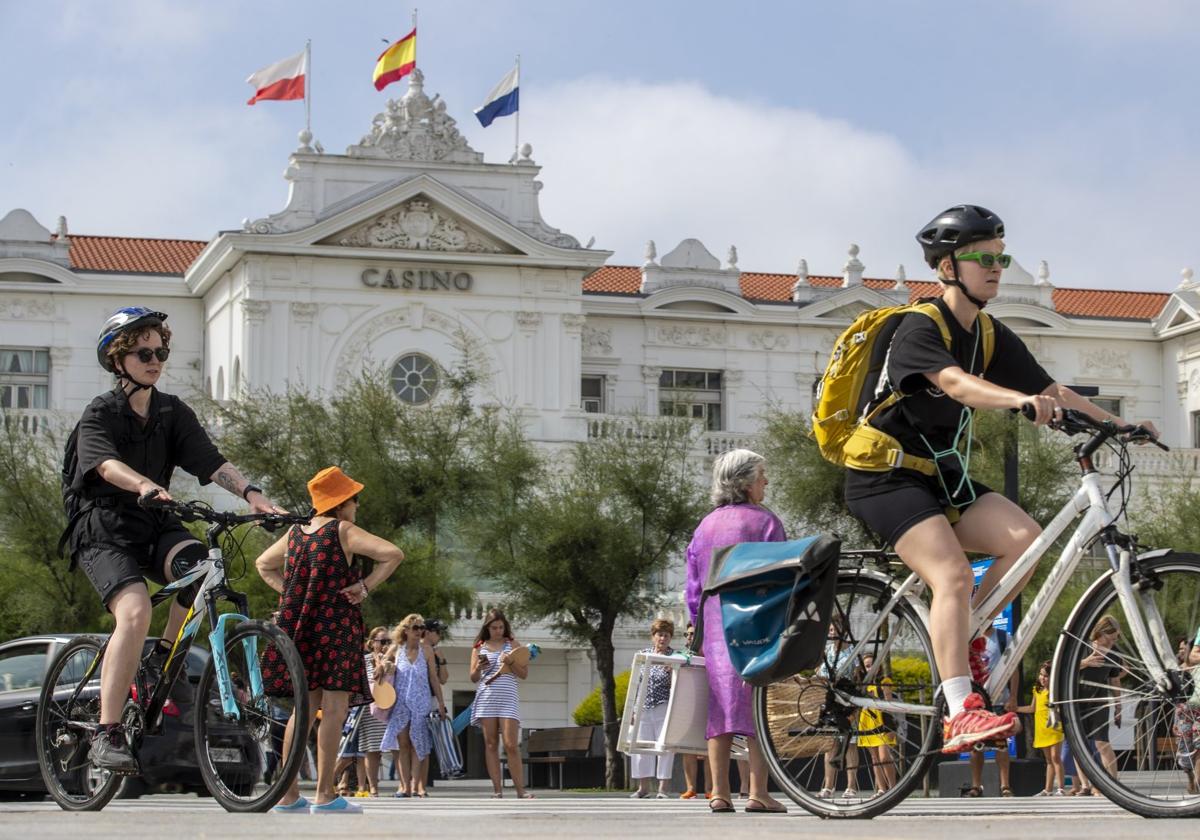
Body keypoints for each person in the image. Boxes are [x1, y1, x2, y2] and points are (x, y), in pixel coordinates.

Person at [842, 205, 1158, 752]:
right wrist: (1018, 401)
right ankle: (961, 709)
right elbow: (956, 384)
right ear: (946, 267)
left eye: (1000, 258)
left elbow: (1053, 390)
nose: (995, 268)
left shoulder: (988, 332)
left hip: (940, 476)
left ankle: (964, 639)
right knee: (954, 574)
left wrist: (1121, 423)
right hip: (882, 476)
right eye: (982, 259)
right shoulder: (920, 327)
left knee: (1025, 542)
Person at [62, 307, 284, 773]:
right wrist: (142, 483)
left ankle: (164, 657)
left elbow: (210, 461)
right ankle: (107, 730)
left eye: (160, 350)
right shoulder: (100, 413)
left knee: (201, 567)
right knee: (136, 609)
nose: (155, 359)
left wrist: (253, 495)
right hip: (103, 527)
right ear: (118, 359)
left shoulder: (171, 411)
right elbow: (105, 465)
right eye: (143, 351)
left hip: (155, 521)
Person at [256, 466, 403, 814]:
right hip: (336, 626)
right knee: (334, 709)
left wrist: (293, 595)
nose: (357, 505)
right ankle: (325, 795)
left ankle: (288, 795)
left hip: (300, 628)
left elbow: (263, 564)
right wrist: (365, 586)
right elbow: (393, 554)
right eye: (354, 499)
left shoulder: (297, 534)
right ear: (342, 503)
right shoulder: (344, 530)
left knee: (303, 711)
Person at [684, 448, 788, 815]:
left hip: (715, 628)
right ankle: (759, 791)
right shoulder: (765, 522)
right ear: (744, 482)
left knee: (720, 710)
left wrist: (697, 622)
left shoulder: (705, 526)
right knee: (757, 708)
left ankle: (718, 791)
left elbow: (693, 586)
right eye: (761, 476)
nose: (766, 482)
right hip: (757, 625)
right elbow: (782, 574)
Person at [378, 614, 447, 798]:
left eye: (421, 628)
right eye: (415, 628)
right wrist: (384, 665)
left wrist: (440, 702)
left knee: (418, 743)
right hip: (400, 702)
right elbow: (381, 664)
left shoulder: (427, 650)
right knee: (403, 744)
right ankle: (403, 786)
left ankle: (417, 785)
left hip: (421, 701)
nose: (419, 631)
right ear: (406, 630)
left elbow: (433, 678)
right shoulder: (397, 649)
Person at [470, 608, 534, 799]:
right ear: (487, 628)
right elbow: (473, 677)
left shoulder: (513, 644)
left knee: (511, 744)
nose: (497, 631)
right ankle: (497, 790)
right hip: (487, 697)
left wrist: (511, 662)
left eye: (500, 627)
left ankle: (520, 790)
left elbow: (523, 674)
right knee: (490, 744)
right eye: (493, 627)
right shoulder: (478, 647)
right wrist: (479, 667)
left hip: (508, 698)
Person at [966, 626, 1019, 797]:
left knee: (1001, 744)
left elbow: (1013, 668)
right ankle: (976, 786)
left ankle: (1005, 785)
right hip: (977, 700)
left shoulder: (1003, 637)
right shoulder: (969, 636)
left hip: (999, 698)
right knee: (976, 745)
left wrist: (1013, 697)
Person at [630, 619, 677, 799]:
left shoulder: (674, 657)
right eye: (660, 634)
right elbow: (636, 683)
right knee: (641, 746)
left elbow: (680, 683)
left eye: (666, 635)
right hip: (643, 706)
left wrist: (671, 671)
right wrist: (633, 709)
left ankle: (662, 788)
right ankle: (643, 788)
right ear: (653, 637)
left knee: (664, 746)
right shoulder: (642, 655)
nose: (663, 638)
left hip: (664, 706)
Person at [817, 615, 860, 799]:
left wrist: (856, 707)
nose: (832, 633)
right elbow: (819, 674)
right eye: (830, 629)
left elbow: (858, 679)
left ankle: (851, 786)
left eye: (835, 629)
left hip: (848, 701)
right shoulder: (827, 651)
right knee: (830, 744)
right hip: (830, 701)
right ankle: (828, 786)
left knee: (850, 744)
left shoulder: (853, 653)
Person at [1077, 614, 1123, 785]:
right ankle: (1085, 785)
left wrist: (1118, 706)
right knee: (1079, 744)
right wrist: (1086, 662)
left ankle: (1113, 782)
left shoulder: (1115, 652)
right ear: (1100, 632)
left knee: (1102, 742)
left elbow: (1114, 679)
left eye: (1115, 639)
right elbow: (1063, 668)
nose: (1112, 642)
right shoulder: (1082, 646)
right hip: (1076, 700)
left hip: (1100, 700)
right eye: (1109, 638)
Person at [1016, 660, 1064, 796]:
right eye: (1041, 675)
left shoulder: (1055, 691)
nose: (1043, 678)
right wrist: (1017, 708)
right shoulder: (1037, 690)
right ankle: (1048, 789)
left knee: (1056, 757)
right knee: (1048, 760)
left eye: (1046, 676)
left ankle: (1060, 788)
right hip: (1041, 729)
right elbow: (1032, 708)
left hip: (1054, 727)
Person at [415, 617, 450, 795]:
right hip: (413, 700)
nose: (440, 635)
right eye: (437, 632)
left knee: (426, 744)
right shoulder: (415, 649)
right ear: (426, 632)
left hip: (430, 699)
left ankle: (421, 785)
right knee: (410, 744)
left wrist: (441, 661)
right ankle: (410, 784)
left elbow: (442, 679)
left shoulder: (435, 652)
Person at [679, 622, 714, 800]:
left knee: (709, 748)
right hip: (688, 705)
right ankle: (691, 788)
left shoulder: (711, 653)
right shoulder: (681, 655)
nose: (690, 637)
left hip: (710, 703)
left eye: (693, 633)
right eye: (687, 634)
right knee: (687, 748)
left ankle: (710, 789)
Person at [856, 654, 897, 796]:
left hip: (882, 721)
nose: (870, 668)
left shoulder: (884, 681)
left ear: (878, 666)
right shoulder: (862, 685)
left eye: (872, 664)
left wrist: (891, 726)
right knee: (874, 758)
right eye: (867, 666)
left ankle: (893, 787)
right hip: (867, 721)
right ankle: (881, 789)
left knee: (884, 757)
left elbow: (890, 704)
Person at [359, 625, 391, 796]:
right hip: (370, 708)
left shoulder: (393, 659)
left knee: (395, 747)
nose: (386, 644)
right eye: (383, 641)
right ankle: (373, 787)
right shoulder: (364, 661)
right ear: (372, 643)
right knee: (372, 749)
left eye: (389, 641)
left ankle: (405, 785)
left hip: (391, 707)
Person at [1173, 628, 1200, 794]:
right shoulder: (1183, 669)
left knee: (1198, 747)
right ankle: (1189, 775)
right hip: (1185, 710)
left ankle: (1198, 785)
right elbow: (1177, 697)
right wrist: (1174, 721)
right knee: (1185, 750)